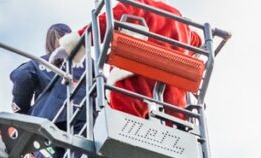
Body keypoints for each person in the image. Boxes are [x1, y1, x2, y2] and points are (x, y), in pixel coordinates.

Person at [55, 0, 203, 123]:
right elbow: (197, 42)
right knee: (173, 102)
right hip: (172, 95)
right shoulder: (178, 18)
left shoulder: (134, 5)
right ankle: (176, 126)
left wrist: (73, 44)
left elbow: (104, 23)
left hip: (135, 80)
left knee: (126, 105)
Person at [9, 23, 84, 158]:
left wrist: (23, 109)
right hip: (84, 120)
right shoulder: (88, 63)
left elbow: (21, 76)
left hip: (49, 126)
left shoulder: (39, 63)